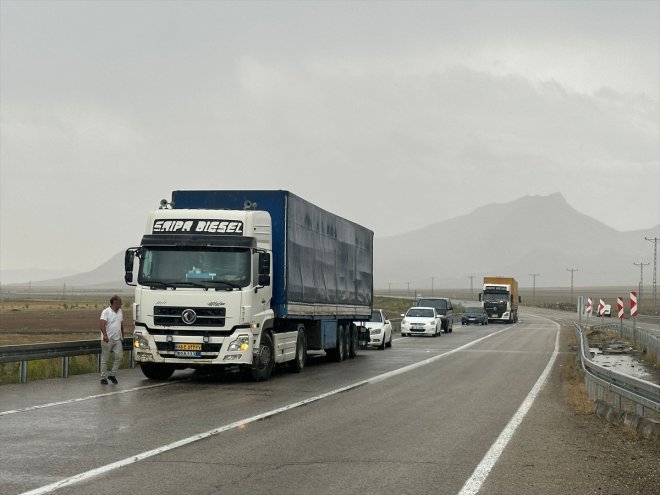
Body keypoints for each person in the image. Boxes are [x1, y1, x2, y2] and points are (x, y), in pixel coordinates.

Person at [99, 295, 124, 384]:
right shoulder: (106, 312)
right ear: (114, 303)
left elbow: (121, 324)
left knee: (119, 357)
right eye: (120, 302)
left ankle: (112, 375)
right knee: (105, 359)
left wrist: (122, 336)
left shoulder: (120, 311)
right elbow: (102, 324)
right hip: (107, 339)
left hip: (117, 339)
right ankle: (103, 378)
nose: (121, 304)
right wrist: (105, 335)